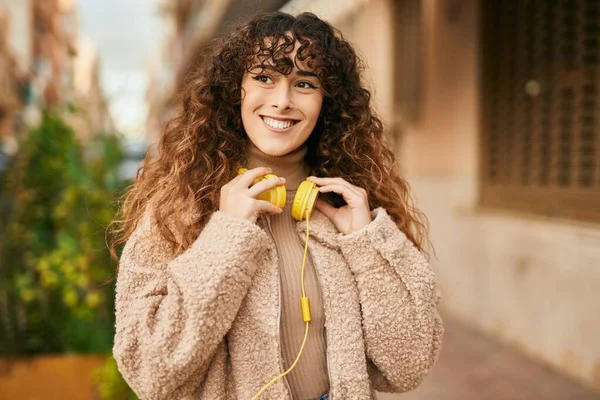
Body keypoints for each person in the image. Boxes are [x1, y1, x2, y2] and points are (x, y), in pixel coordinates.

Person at [110, 11, 443, 400]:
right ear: (237, 89)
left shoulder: (349, 211)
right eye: (264, 78)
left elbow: (408, 366)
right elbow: (150, 371)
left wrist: (367, 246)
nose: (282, 102)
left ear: (326, 102)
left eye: (304, 83)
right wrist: (226, 237)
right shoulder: (179, 209)